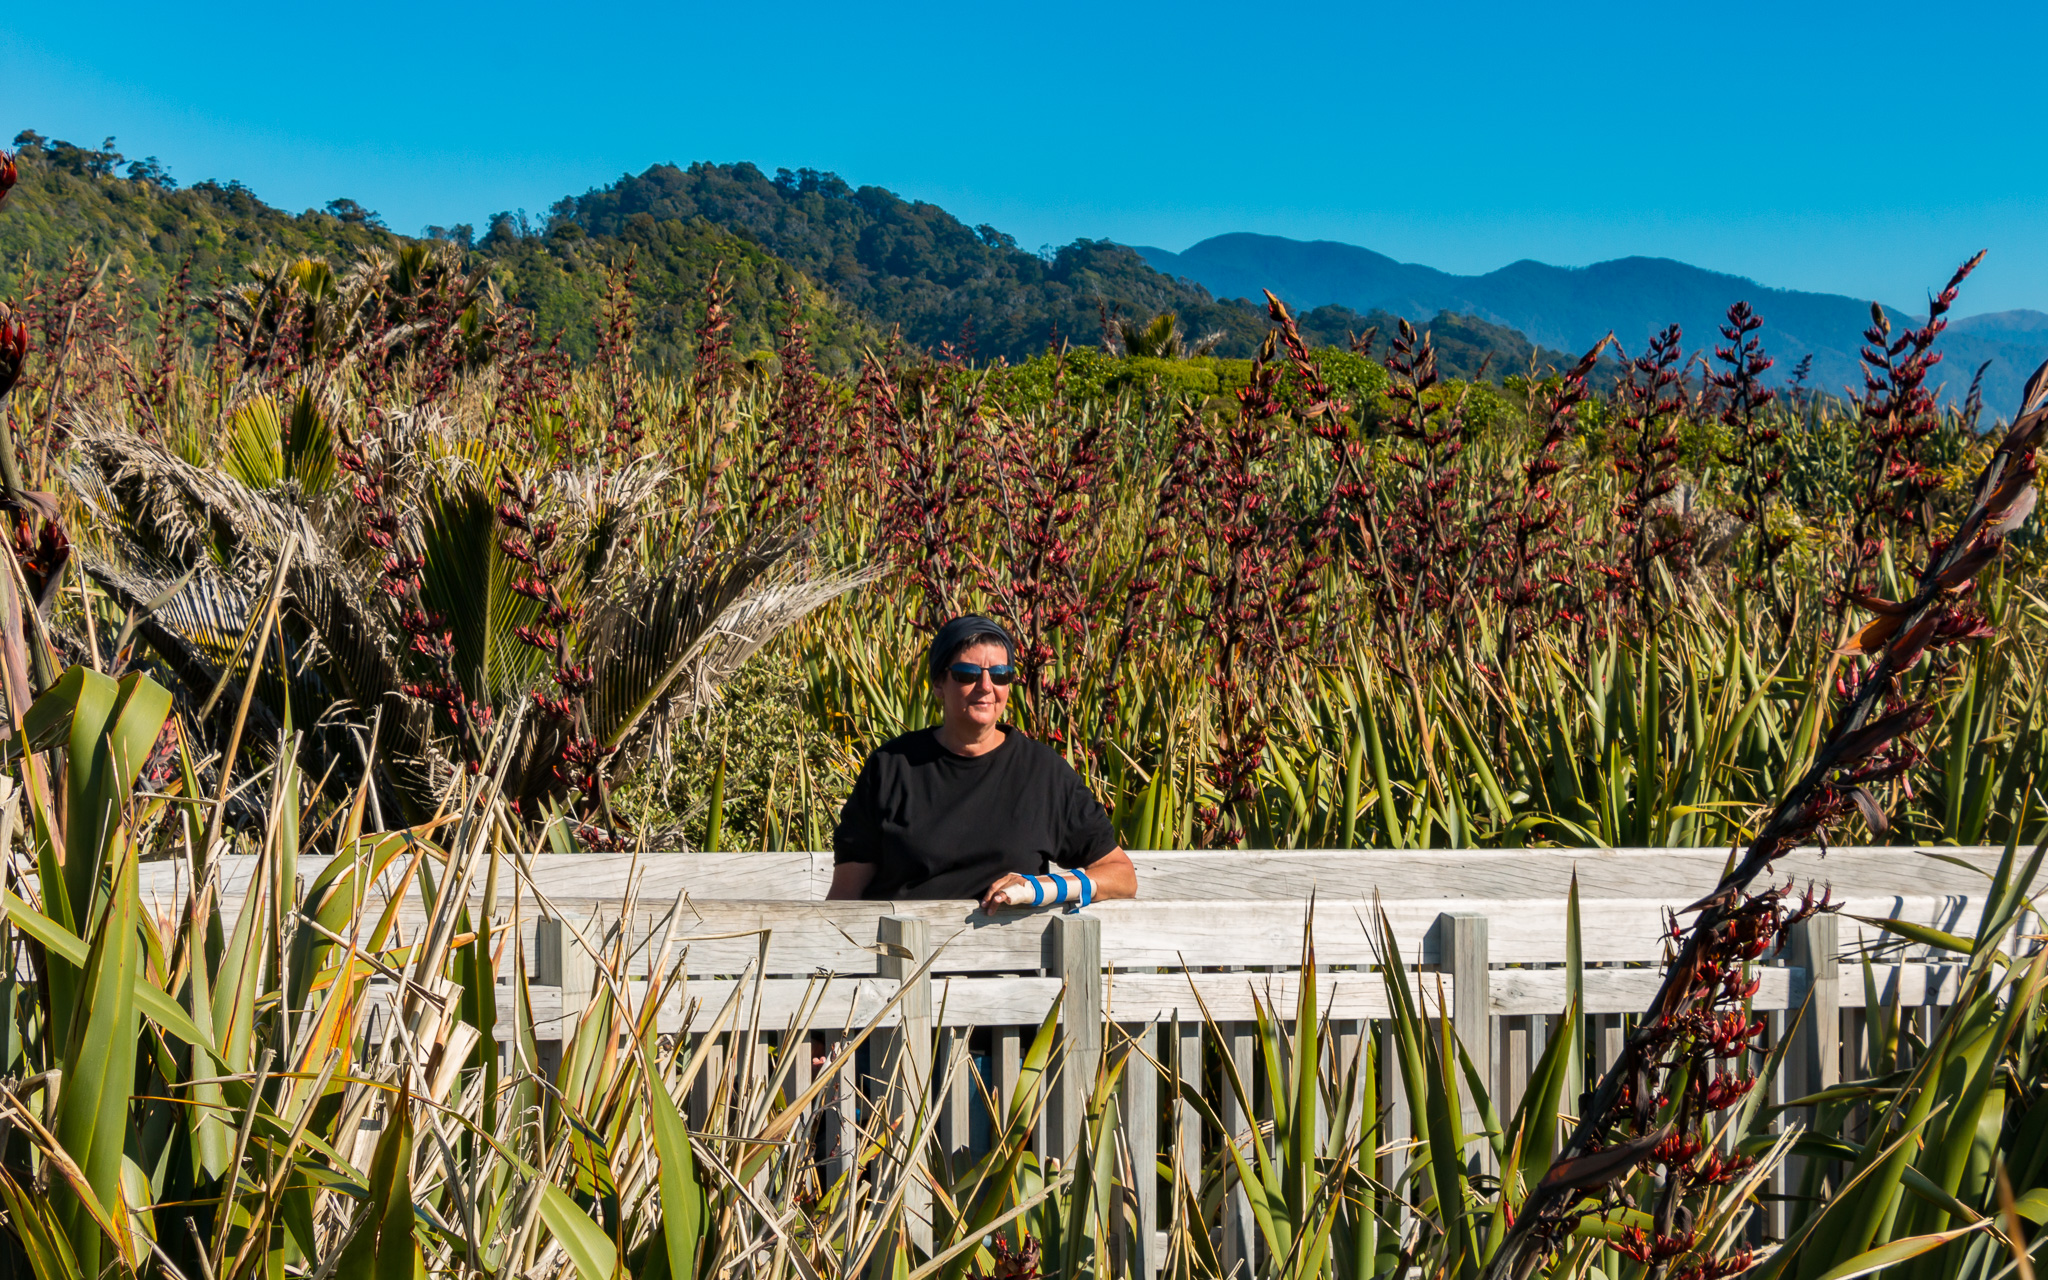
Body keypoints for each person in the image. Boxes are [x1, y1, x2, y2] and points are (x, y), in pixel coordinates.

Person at [828, 615, 1137, 912]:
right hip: (904, 958)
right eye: (967, 673)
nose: (986, 686)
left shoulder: (1043, 773)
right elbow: (845, 896)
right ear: (938, 683)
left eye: (1001, 674)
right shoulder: (892, 767)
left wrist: (1042, 887)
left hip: (1008, 962)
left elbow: (1122, 875)